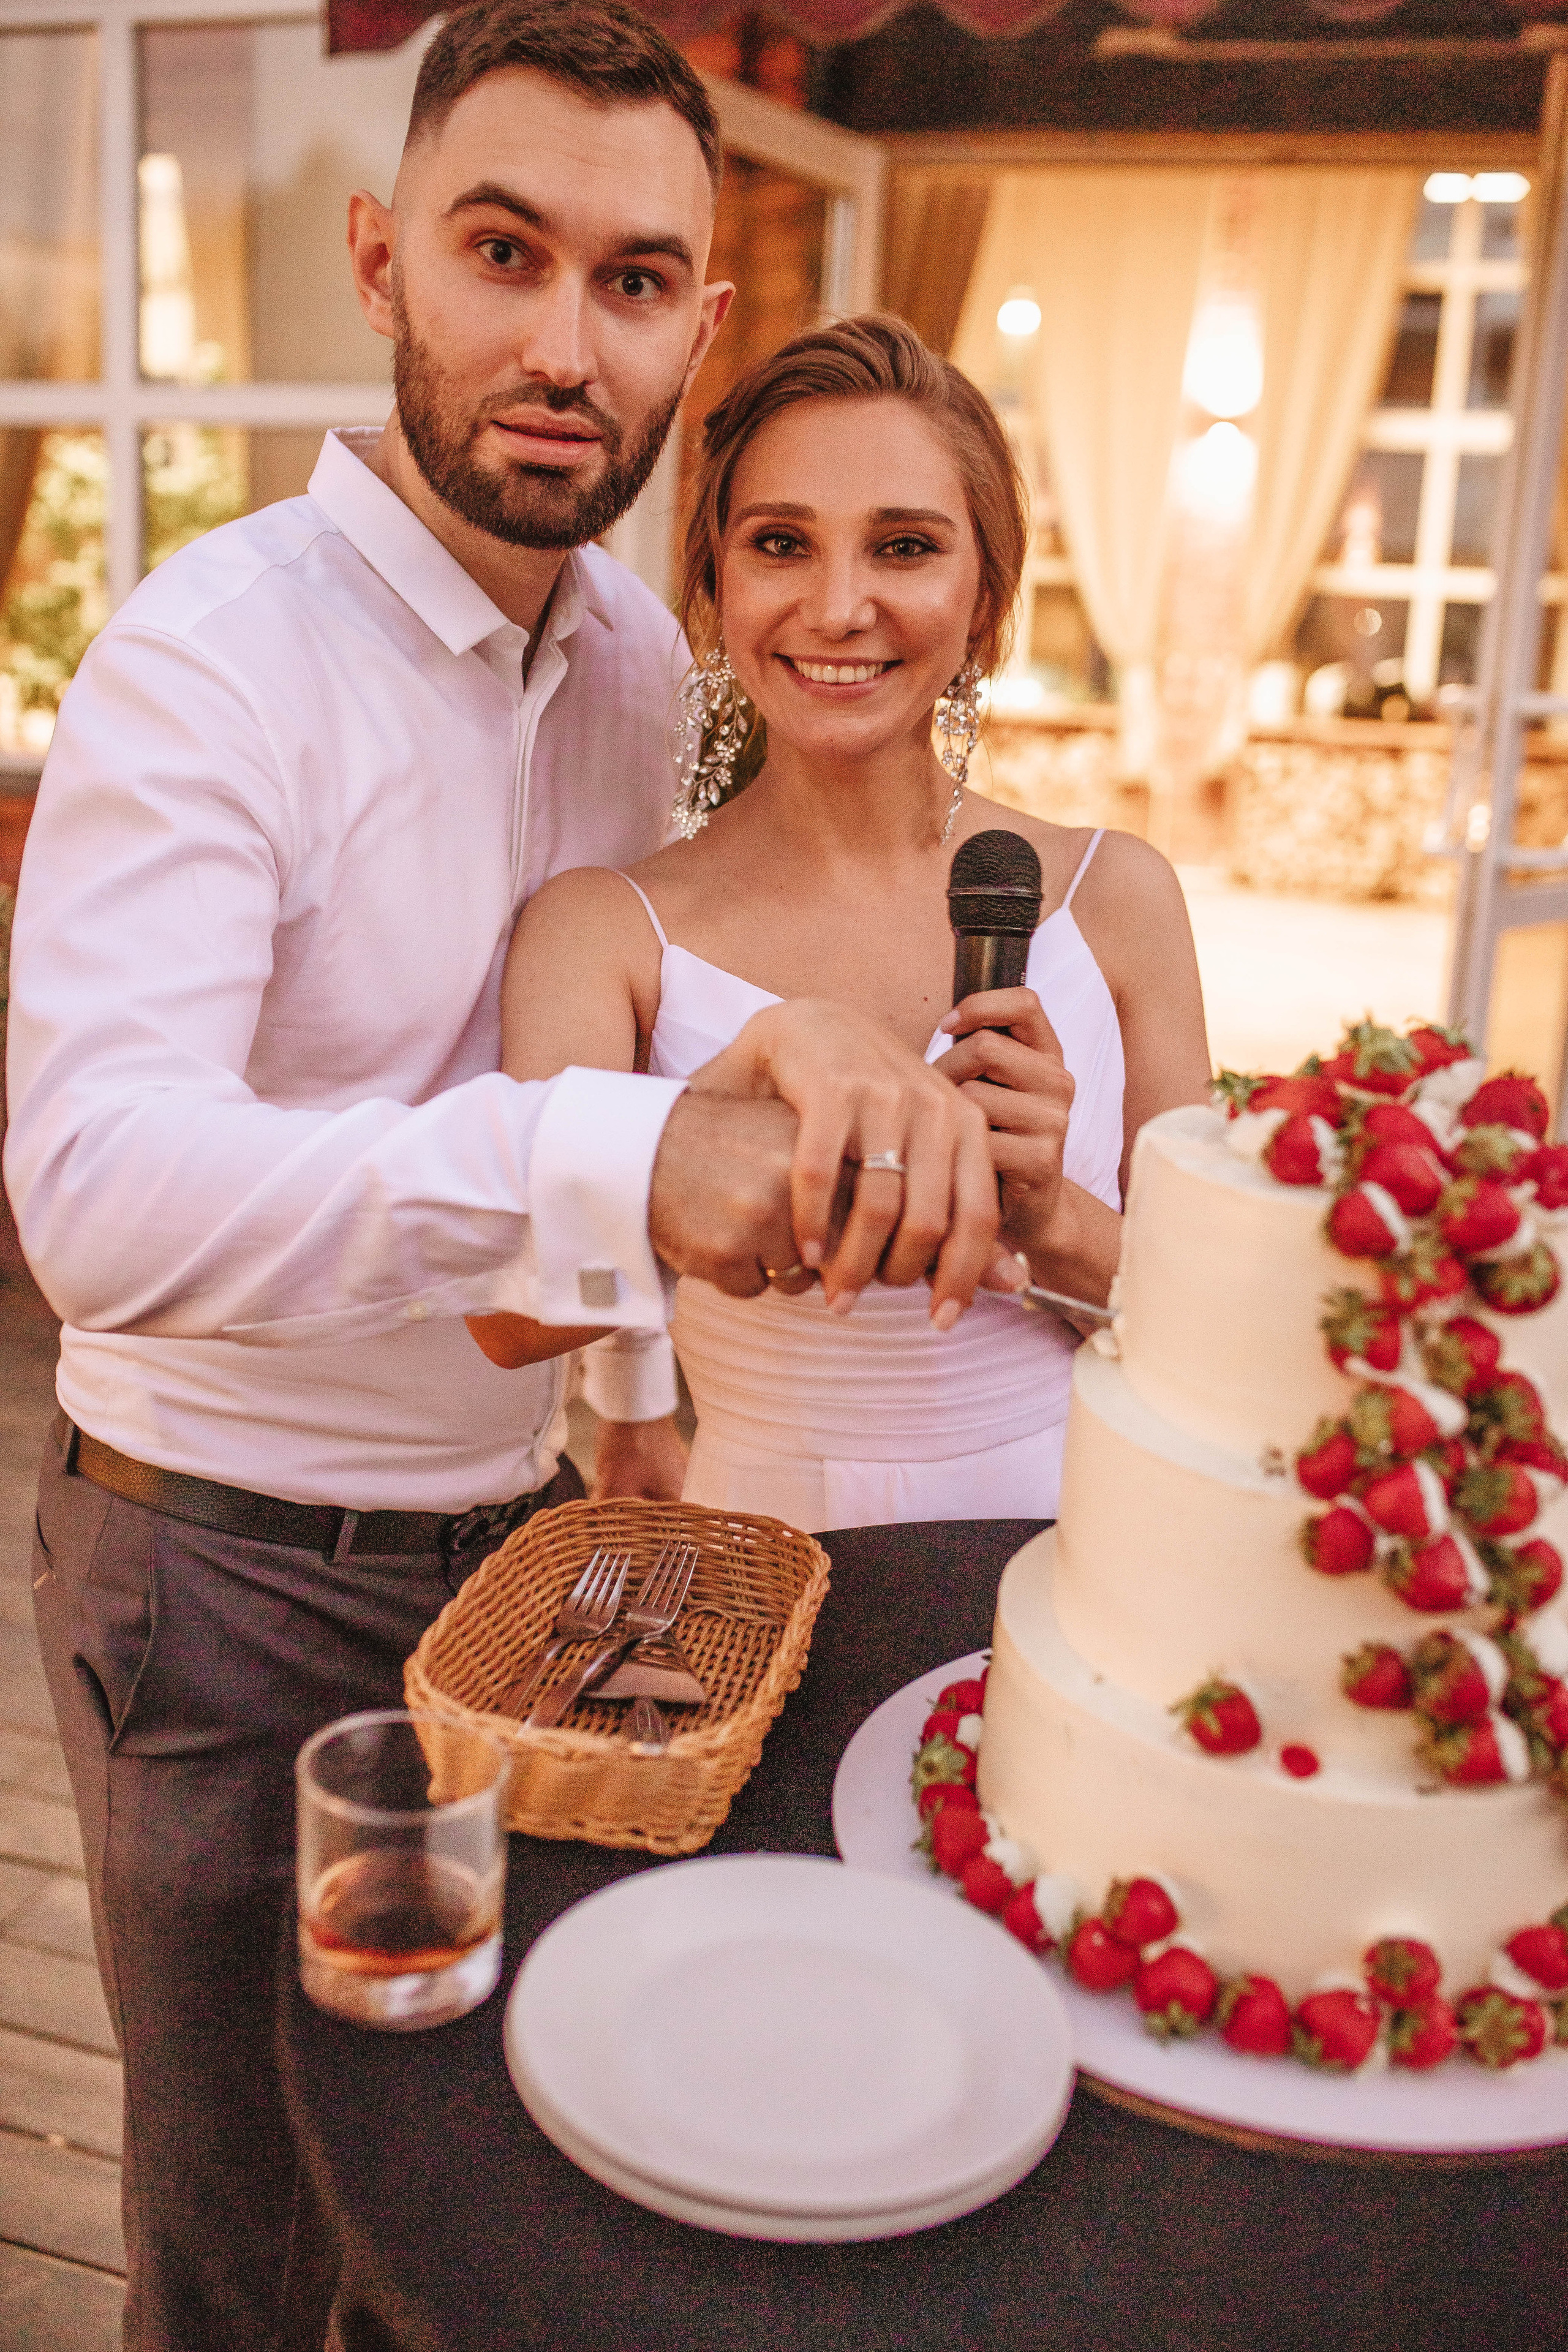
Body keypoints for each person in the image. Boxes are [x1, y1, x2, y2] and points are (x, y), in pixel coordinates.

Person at [1, 15, 1011, 2347]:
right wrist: (631, 1161)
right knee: (245, 2257)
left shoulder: (649, 659)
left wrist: (650, 1356)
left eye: (635, 279)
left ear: (704, 325)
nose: (566, 343)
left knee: (453, 2233)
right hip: (223, 1584)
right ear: (384, 260)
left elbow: (618, 1011)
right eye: (501, 251)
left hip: (537, 1570)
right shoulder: (202, 666)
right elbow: (101, 1191)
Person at [469, 316, 1214, 1530]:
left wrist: (1049, 1219)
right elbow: (509, 1319)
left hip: (1090, 1557)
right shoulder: (604, 933)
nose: (837, 605)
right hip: (764, 1583)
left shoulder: (1116, 898)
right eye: (779, 545)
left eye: (904, 547)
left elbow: (1221, 1323)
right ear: (714, 583)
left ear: (985, 597)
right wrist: (686, 1144)